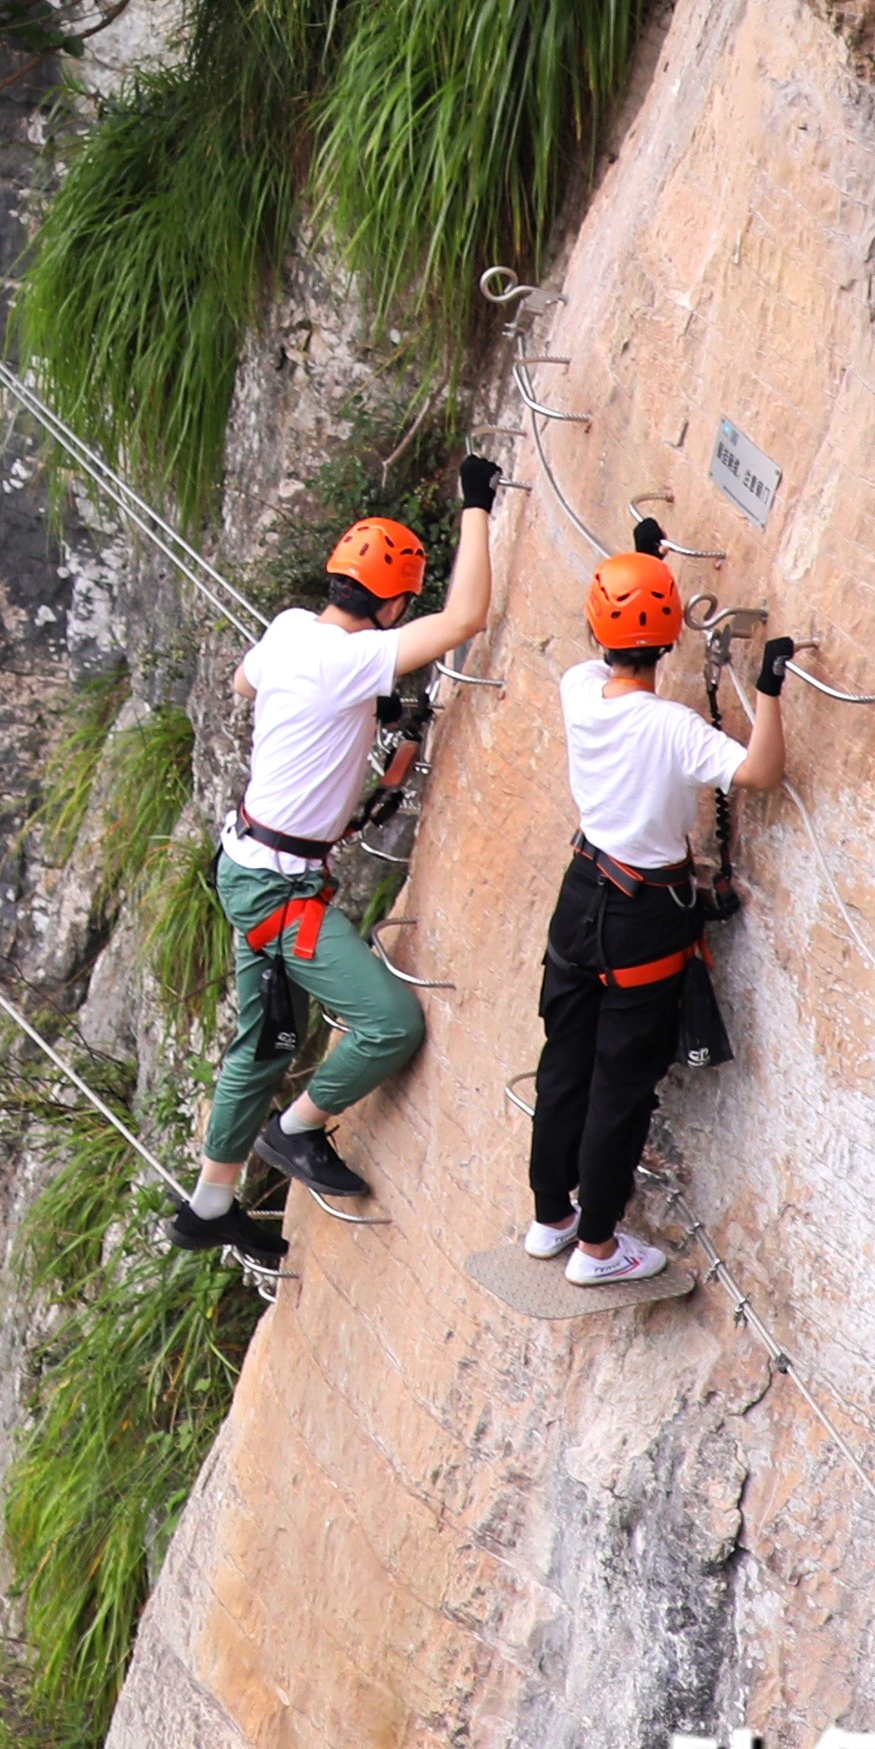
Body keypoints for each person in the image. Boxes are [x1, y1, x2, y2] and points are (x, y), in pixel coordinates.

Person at [167, 466, 503, 1253]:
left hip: (251, 866)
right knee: (388, 1024)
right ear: (389, 605)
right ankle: (296, 1129)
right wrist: (478, 507)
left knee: (264, 1041)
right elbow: (466, 618)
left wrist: (355, 706)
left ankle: (209, 1206)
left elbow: (245, 684)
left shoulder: (288, 630)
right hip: (281, 891)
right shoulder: (355, 660)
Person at [521, 533, 787, 1287]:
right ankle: (599, 1250)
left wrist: (643, 569)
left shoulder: (578, 688)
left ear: (597, 636)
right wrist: (768, 688)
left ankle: (552, 1218)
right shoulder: (673, 729)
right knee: (621, 1085)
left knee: (563, 1066)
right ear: (671, 637)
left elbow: (623, 625)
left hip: (580, 900)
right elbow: (760, 771)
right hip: (644, 919)